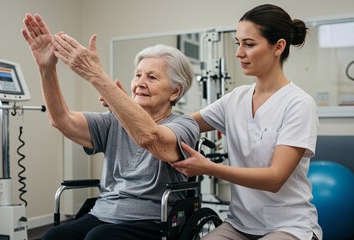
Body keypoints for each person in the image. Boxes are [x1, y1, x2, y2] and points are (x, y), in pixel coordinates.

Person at [21, 13, 199, 240]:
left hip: (153, 219)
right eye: (137, 75)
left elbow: (151, 138)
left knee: (99, 238)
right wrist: (47, 70)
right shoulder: (112, 121)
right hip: (103, 212)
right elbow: (61, 121)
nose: (140, 83)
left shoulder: (185, 125)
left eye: (152, 77)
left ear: (175, 91)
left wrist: (97, 76)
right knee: (54, 236)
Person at [170, 4, 323, 240]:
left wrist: (208, 167)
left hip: (287, 225)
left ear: (279, 46)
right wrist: (133, 110)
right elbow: (184, 124)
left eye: (249, 44)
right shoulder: (236, 98)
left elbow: (274, 179)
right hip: (239, 224)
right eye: (237, 43)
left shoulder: (299, 103)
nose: (239, 52)